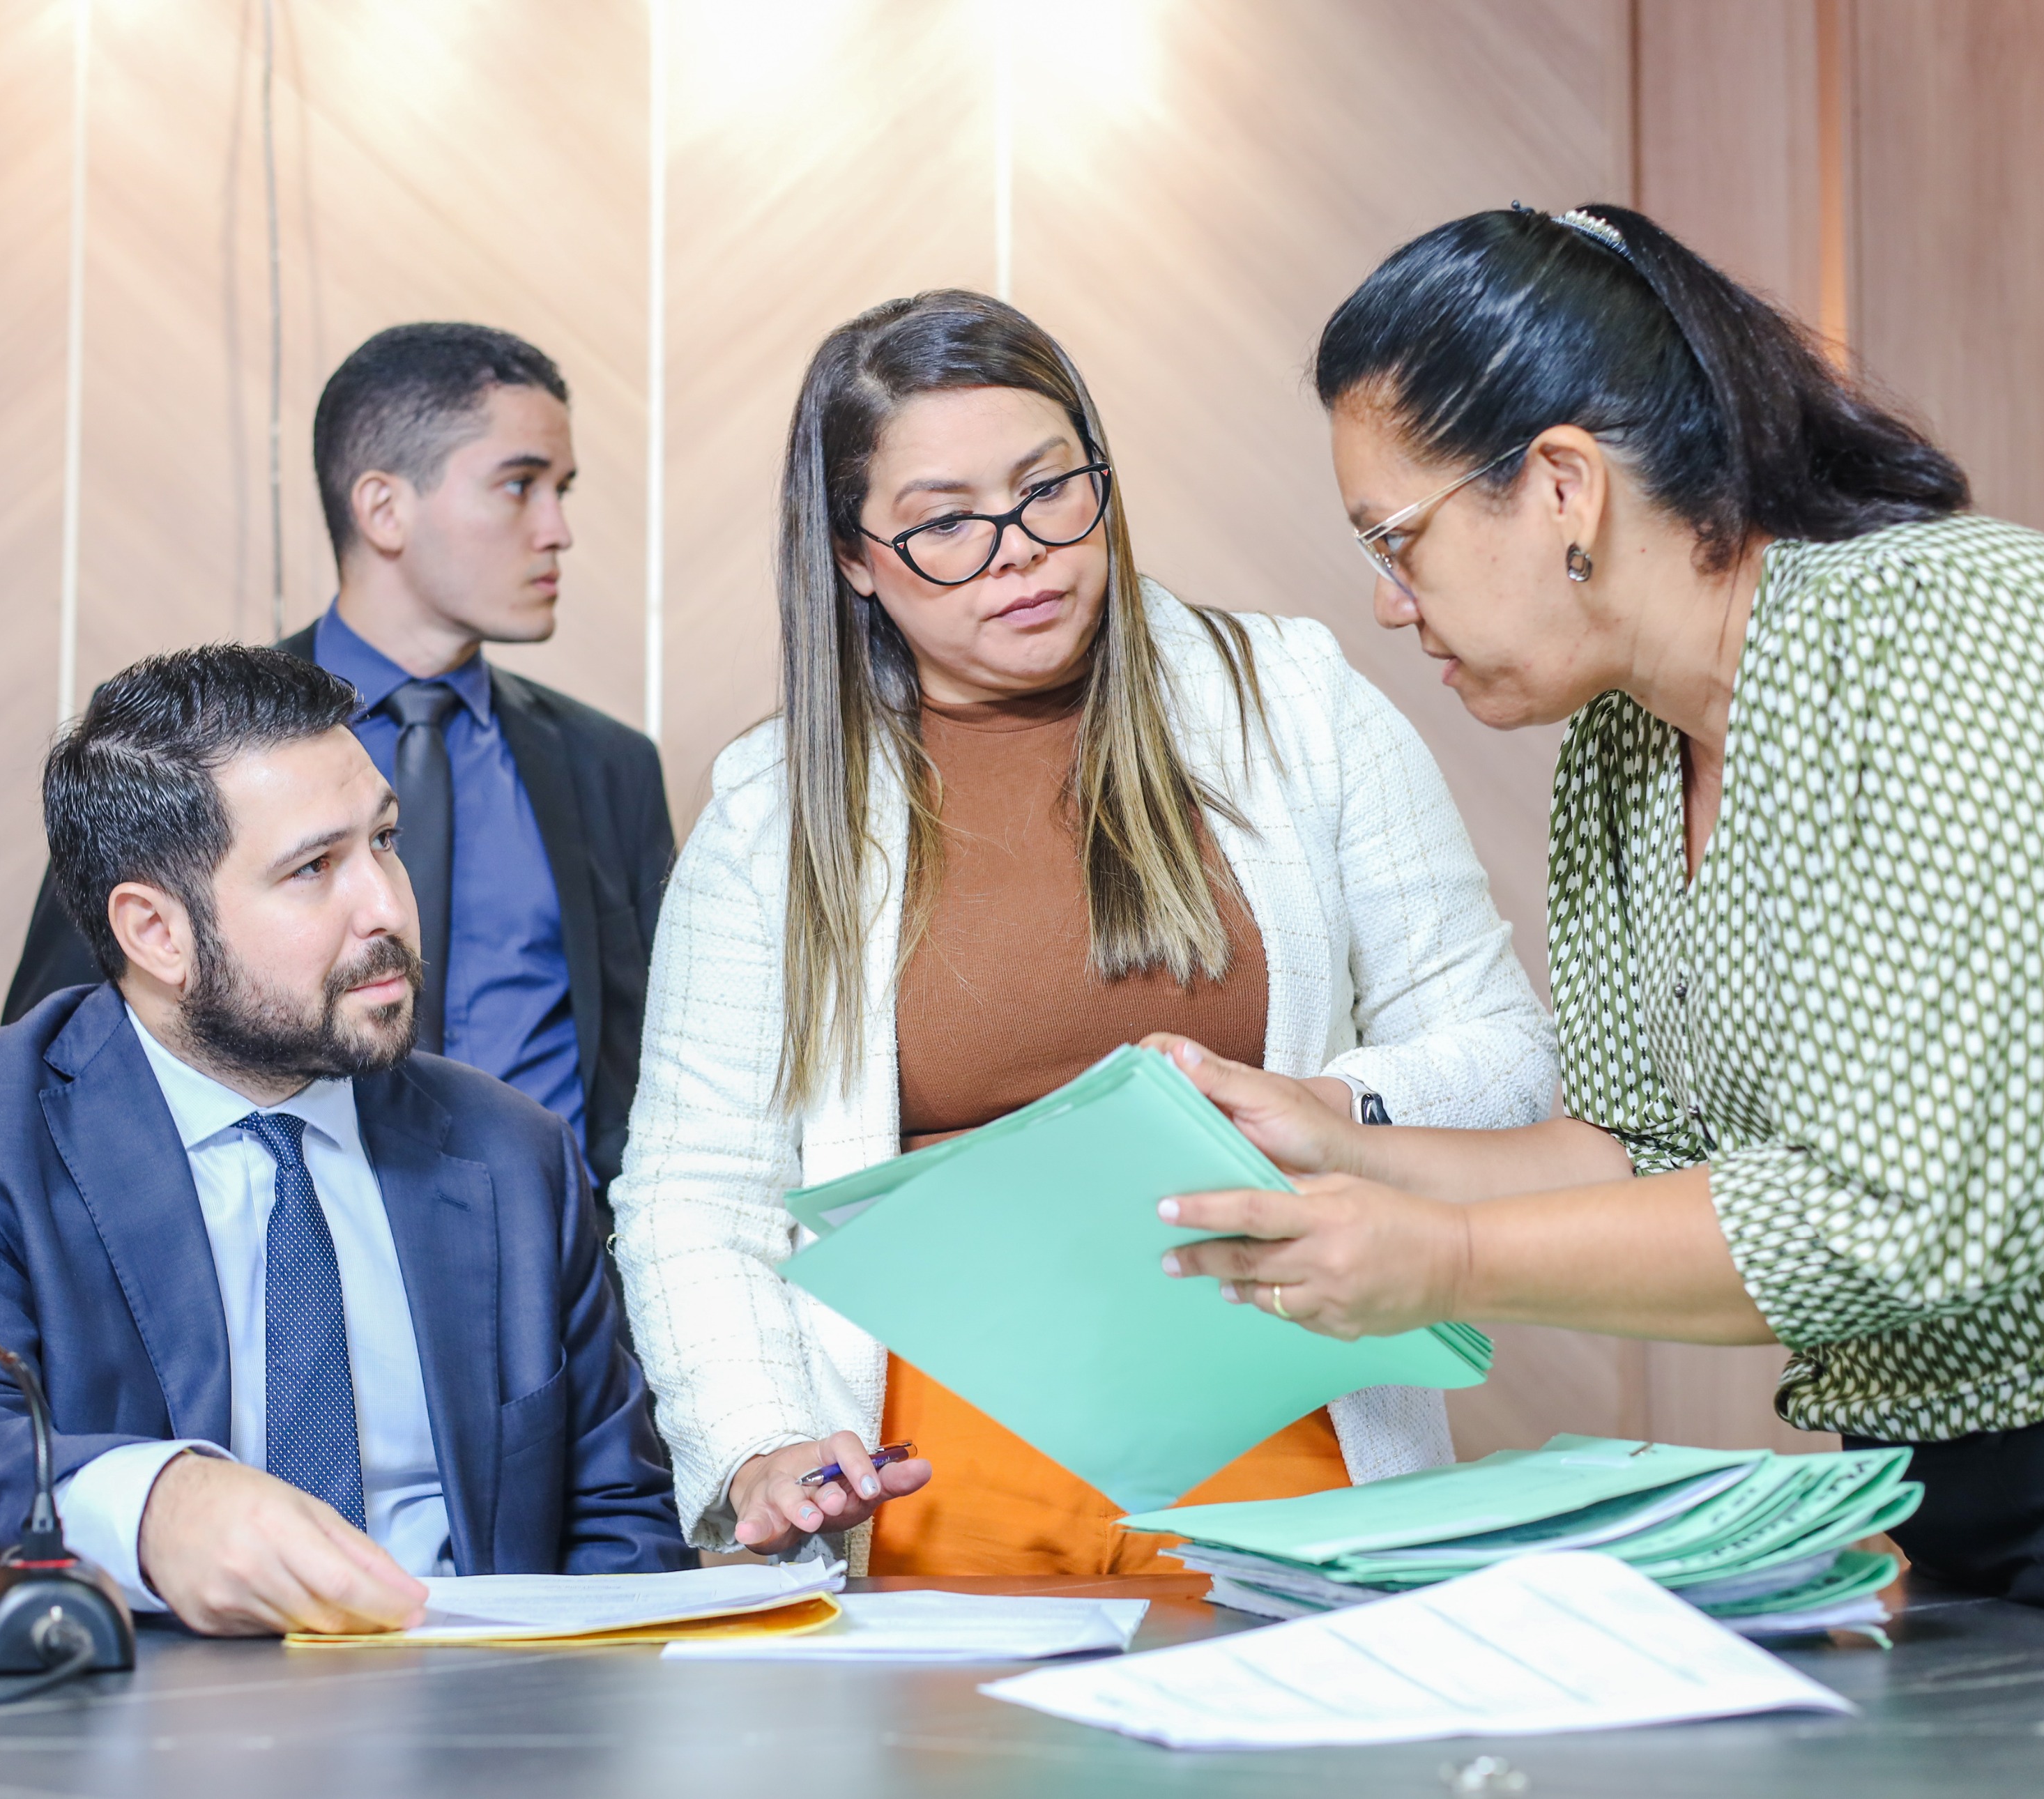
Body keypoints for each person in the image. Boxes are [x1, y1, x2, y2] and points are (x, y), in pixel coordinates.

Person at [1151, 203, 2044, 1652]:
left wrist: (1441, 1260)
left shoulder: (1967, 639)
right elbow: (1652, 1148)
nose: (1391, 607)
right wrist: (1338, 1144)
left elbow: (1913, 1217)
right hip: (1930, 1466)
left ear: (1564, 486)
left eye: (1399, 540)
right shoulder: (1627, 746)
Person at [610, 291, 1558, 1575]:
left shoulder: (1295, 703)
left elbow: (1507, 1055)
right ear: (850, 556)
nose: (1016, 550)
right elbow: (694, 1189)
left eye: (1050, 489)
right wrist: (757, 1442)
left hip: (1283, 1422)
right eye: (943, 521)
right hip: (936, 1475)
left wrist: (1322, 1103)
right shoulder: (772, 815)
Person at [0, 645, 689, 1631]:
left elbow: (623, 1536)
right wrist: (156, 1503)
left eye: (387, 842)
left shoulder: (510, 1153)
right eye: (315, 868)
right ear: (157, 933)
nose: (390, 908)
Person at [4, 323, 673, 1192]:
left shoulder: (606, 764)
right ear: (383, 508)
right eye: (519, 486)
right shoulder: (188, 750)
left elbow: (650, 1072)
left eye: (562, 489)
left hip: (546, 1278)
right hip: (287, 1257)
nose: (557, 530)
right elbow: (62, 1053)